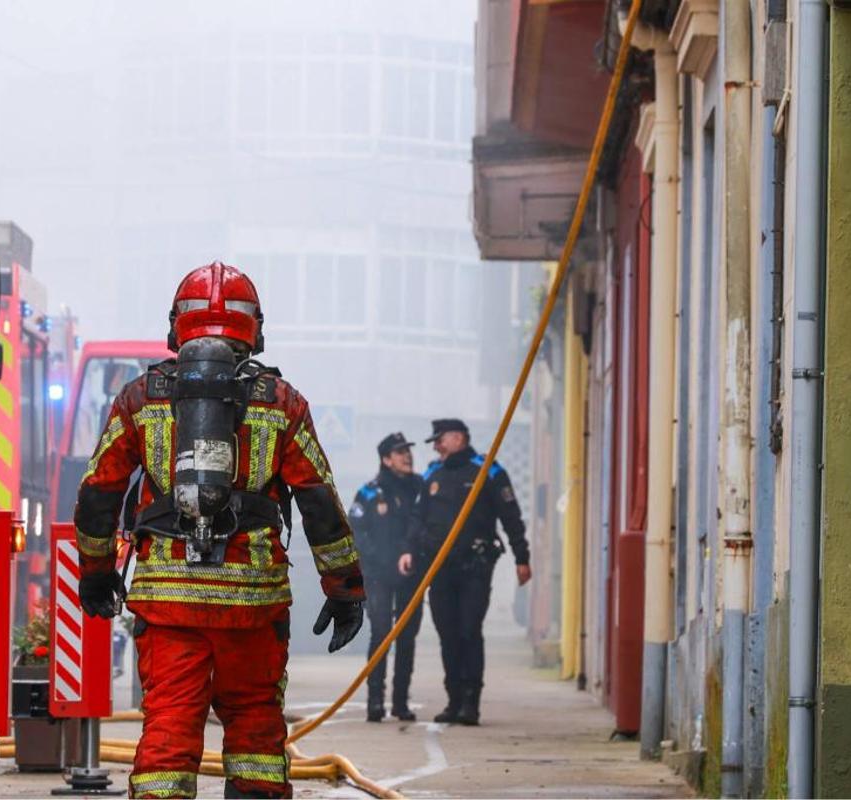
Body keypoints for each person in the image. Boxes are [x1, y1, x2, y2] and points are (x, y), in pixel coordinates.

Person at [74, 262, 365, 799]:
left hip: (168, 602)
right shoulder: (282, 402)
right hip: (253, 603)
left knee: (168, 728)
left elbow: (99, 492)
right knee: (255, 726)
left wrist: (96, 574)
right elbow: (320, 502)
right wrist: (344, 589)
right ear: (253, 328)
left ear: (175, 325)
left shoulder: (139, 398)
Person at [399, 418, 530, 726]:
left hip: (475, 566)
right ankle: (454, 699)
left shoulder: (488, 470)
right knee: (447, 634)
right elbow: (417, 517)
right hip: (440, 568)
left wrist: (522, 557)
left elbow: (511, 516)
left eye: (440, 439)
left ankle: (471, 702)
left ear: (458, 438)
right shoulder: (433, 472)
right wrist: (408, 549)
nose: (435, 446)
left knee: (468, 631)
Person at [348, 432, 424, 723]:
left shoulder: (420, 488)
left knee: (407, 637)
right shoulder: (370, 492)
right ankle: (375, 701)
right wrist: (377, 559)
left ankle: (401, 702)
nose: (407, 456)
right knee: (381, 635)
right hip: (378, 576)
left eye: (408, 450)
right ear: (386, 458)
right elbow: (356, 531)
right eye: (400, 451)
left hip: (411, 575)